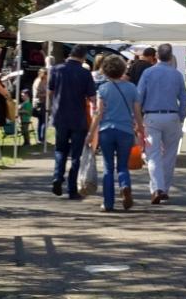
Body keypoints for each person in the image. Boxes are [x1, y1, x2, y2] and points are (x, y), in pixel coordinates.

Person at [87, 54, 144, 212]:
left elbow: (98, 113)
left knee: (107, 167)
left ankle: (108, 202)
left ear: (105, 71)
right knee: (123, 166)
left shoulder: (103, 88)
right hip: (125, 130)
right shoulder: (131, 88)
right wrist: (141, 130)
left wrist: (91, 134)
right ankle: (125, 186)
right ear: (123, 69)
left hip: (106, 131)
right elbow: (137, 112)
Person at [136, 43, 186, 203]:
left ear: (157, 56)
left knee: (153, 155)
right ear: (171, 56)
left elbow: (139, 96)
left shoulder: (148, 73)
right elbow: (184, 98)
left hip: (152, 116)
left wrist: (138, 118)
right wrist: (181, 116)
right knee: (170, 155)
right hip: (171, 115)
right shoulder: (177, 75)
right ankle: (164, 188)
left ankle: (157, 187)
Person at [48, 44, 97, 199]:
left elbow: (50, 91)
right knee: (76, 155)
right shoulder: (85, 73)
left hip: (60, 115)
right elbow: (92, 98)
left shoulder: (56, 69)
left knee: (60, 149)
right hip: (78, 117)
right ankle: (72, 188)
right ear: (83, 57)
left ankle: (57, 176)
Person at [32, 68, 50, 144]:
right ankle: (41, 138)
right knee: (43, 121)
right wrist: (47, 94)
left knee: (43, 121)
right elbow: (37, 94)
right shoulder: (38, 82)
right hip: (40, 103)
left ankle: (41, 138)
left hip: (44, 103)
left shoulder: (45, 81)